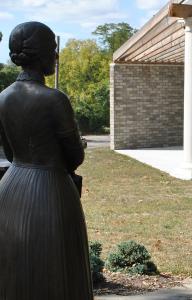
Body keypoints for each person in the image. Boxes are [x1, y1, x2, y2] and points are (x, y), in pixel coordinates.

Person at [0, 22, 93, 299]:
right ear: (40, 54)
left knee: (15, 270)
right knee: (56, 269)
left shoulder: (2, 98)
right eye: (53, 49)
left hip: (10, 189)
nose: (56, 55)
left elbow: (9, 151)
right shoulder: (55, 100)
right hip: (50, 193)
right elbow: (75, 157)